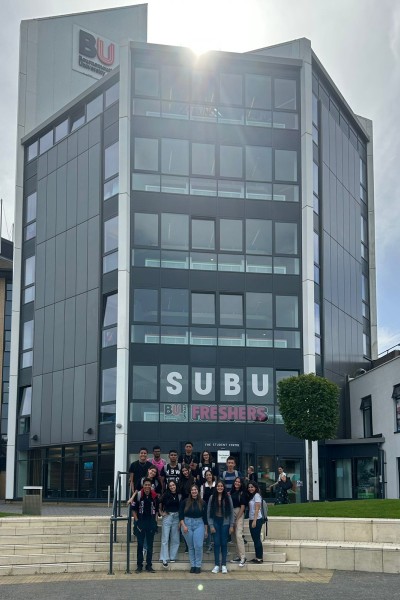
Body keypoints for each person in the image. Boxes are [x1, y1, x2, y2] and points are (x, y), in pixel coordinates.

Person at [132, 478, 159, 573]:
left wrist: (155, 523)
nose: (147, 486)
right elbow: (133, 510)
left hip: (151, 522)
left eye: (149, 485)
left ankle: (149, 565)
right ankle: (139, 565)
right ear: (143, 486)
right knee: (140, 545)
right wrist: (137, 521)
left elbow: (156, 511)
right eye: (145, 484)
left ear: (151, 486)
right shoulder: (139, 495)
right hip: (141, 522)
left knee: (150, 545)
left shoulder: (155, 496)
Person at [179, 484, 208, 574]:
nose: (194, 491)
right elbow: (181, 515)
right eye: (192, 490)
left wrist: (206, 530)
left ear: (198, 491)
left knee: (198, 546)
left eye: (195, 490)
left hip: (199, 524)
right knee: (191, 547)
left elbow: (205, 517)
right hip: (187, 524)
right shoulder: (185, 502)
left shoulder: (203, 502)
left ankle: (198, 565)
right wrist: (183, 526)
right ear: (190, 492)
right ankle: (193, 565)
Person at [207, 479, 234, 574]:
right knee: (216, 543)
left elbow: (231, 512)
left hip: (225, 522)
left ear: (224, 487)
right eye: (218, 486)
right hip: (215, 522)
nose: (220, 488)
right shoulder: (212, 497)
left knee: (224, 543)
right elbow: (209, 512)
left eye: (221, 486)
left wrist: (231, 525)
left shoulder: (228, 497)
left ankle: (224, 565)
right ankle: (216, 565)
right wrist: (211, 525)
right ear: (216, 487)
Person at [159, 480, 181, 567]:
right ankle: (164, 558)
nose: (172, 487)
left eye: (173, 485)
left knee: (175, 538)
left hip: (176, 517)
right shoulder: (165, 495)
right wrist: (161, 512)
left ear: (175, 485)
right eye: (170, 485)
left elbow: (181, 507)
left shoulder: (179, 495)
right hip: (168, 516)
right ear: (168, 487)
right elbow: (159, 503)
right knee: (165, 538)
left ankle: (173, 557)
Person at [229, 477, 247, 567]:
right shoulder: (231, 492)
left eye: (239, 482)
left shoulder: (242, 493)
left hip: (239, 512)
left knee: (239, 535)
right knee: (233, 536)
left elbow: (243, 507)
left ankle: (243, 557)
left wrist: (237, 519)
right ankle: (238, 556)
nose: (237, 483)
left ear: (241, 484)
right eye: (236, 481)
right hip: (232, 513)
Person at [247, 481, 263, 563]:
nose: (250, 489)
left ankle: (259, 558)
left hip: (256, 519)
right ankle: (257, 556)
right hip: (251, 519)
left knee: (257, 539)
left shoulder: (257, 495)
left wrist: (254, 521)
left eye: (252, 487)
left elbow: (257, 508)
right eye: (249, 487)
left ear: (255, 487)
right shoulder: (252, 496)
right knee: (255, 539)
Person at [200, 470, 216, 552]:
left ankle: (215, 544)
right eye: (207, 475)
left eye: (210, 475)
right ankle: (209, 545)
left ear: (212, 475)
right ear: (205, 477)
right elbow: (201, 499)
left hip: (216, 508)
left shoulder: (216, 485)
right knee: (208, 526)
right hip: (206, 508)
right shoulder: (203, 486)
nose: (208, 476)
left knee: (215, 526)